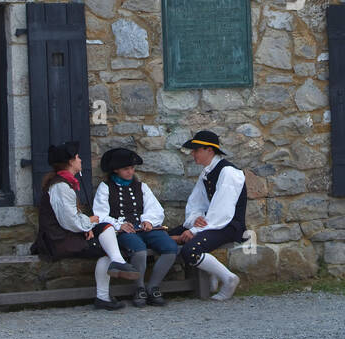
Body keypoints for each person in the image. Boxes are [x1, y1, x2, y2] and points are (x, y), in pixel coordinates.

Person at [34, 141, 139, 310]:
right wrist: (88, 223)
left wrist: (88, 226)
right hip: (58, 240)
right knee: (106, 246)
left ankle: (116, 266)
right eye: (77, 157)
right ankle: (107, 287)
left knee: (105, 229)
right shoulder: (60, 186)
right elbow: (69, 221)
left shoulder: (64, 183)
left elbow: (71, 219)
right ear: (70, 162)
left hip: (66, 234)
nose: (80, 160)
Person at [93, 147, 178, 307]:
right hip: (122, 231)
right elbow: (100, 215)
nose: (130, 172)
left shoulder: (142, 187)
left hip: (144, 228)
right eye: (126, 169)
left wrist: (148, 221)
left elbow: (156, 209)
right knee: (139, 250)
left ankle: (153, 287)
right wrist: (120, 224)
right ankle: (139, 288)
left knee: (170, 247)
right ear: (116, 170)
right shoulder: (105, 188)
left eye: (132, 168)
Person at [173, 130, 246, 302]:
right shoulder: (206, 173)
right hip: (210, 222)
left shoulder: (229, 172)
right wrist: (195, 219)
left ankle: (229, 279)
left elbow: (223, 210)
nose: (193, 153)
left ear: (210, 151)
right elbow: (196, 203)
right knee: (163, 235)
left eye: (196, 149)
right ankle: (211, 273)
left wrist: (196, 230)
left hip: (228, 225)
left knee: (190, 250)